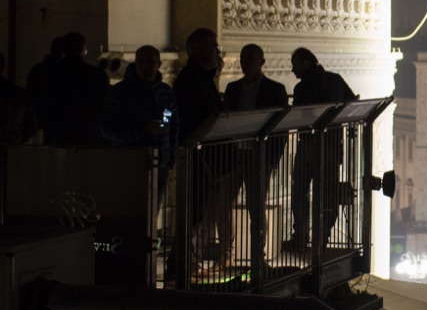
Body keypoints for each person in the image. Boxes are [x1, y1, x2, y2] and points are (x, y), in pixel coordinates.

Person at [173, 28, 235, 278]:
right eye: (214, 47)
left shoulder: (197, 78)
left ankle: (187, 264)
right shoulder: (192, 81)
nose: (218, 52)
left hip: (203, 156)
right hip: (199, 157)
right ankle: (182, 266)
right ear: (200, 51)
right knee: (194, 214)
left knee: (198, 214)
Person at [286, 47, 356, 251]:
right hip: (332, 144)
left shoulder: (301, 88)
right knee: (327, 192)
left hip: (307, 143)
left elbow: (301, 115)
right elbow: (352, 102)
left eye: (295, 65)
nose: (293, 70)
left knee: (299, 190)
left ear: (306, 62)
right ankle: (321, 238)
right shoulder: (335, 79)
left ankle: (300, 236)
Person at [224, 44, 288, 263]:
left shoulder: (273, 89)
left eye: (251, 59)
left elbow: (281, 129)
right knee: (224, 204)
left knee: (256, 208)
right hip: (236, 155)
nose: (246, 63)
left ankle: (257, 255)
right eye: (244, 59)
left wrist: (270, 160)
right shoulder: (233, 89)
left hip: (258, 156)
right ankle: (229, 253)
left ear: (261, 62)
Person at [100, 45, 179, 203]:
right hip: (130, 163)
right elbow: (107, 128)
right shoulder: (119, 92)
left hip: (160, 163)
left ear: (159, 64)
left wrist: (171, 156)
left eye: (150, 62)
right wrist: (143, 131)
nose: (145, 67)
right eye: (141, 62)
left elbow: (172, 121)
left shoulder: (165, 92)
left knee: (153, 211)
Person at [43, 32, 108, 145]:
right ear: (83, 50)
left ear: (63, 50)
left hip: (57, 134)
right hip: (89, 135)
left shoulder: (49, 74)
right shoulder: (96, 75)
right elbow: (103, 105)